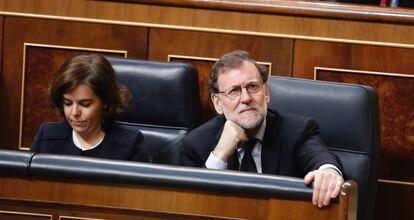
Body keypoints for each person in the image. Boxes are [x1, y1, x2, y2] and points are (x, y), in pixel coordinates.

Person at [182, 50, 344, 208]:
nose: (246, 98)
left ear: (266, 93)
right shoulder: (197, 143)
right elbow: (191, 205)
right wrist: (220, 155)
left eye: (253, 86)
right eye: (234, 91)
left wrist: (328, 172)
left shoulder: (296, 131)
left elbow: (320, 157)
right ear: (217, 103)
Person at [31, 54, 148, 162]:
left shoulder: (130, 144)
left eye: (85, 104)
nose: (74, 113)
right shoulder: (46, 137)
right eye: (68, 103)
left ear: (105, 102)